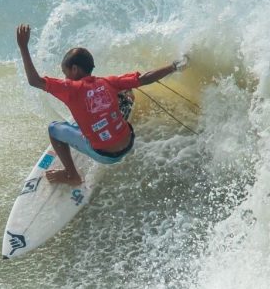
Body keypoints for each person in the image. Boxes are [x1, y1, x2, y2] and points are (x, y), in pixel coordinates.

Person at [16, 24, 189, 185]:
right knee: (126, 93)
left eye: (65, 72)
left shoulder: (70, 88)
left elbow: (34, 81)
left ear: (75, 69)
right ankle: (111, 124)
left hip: (105, 155)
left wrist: (23, 47)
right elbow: (145, 78)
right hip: (129, 141)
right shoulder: (108, 82)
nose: (65, 77)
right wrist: (173, 67)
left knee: (53, 129)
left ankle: (71, 175)